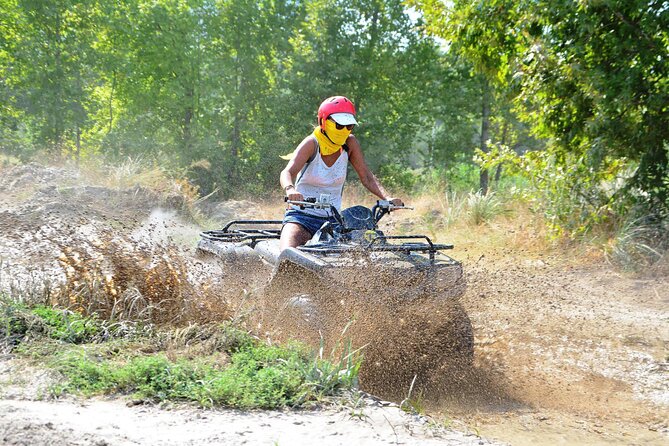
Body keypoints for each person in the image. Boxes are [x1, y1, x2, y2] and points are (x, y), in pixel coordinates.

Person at [279, 96, 403, 249]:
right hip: (301, 218)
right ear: (323, 122)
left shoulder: (349, 143)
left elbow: (366, 176)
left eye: (349, 126)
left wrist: (387, 197)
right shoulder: (311, 144)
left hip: (334, 221)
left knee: (365, 249)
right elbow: (287, 172)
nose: (344, 130)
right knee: (288, 252)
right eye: (339, 125)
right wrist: (290, 189)